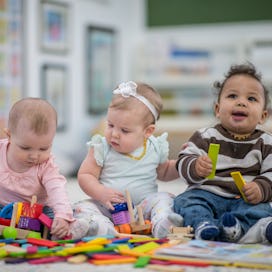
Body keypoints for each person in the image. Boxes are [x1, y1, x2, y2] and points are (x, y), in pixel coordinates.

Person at [174, 62, 272, 243]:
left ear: (263, 116)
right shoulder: (205, 136)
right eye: (232, 95)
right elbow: (182, 160)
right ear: (218, 109)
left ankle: (236, 229)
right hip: (207, 194)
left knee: (263, 209)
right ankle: (203, 225)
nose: (241, 102)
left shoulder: (266, 143)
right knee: (185, 202)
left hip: (244, 200)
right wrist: (195, 166)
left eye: (252, 99)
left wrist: (260, 188)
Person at [75, 81, 183, 238]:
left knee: (165, 198)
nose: (114, 134)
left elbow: (165, 172)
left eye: (124, 130)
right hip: (108, 207)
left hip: (143, 209)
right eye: (110, 125)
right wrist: (101, 193)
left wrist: (183, 164)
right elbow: (85, 175)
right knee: (82, 208)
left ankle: (162, 224)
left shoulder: (154, 146)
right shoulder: (102, 147)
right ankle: (100, 228)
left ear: (147, 132)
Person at [0, 97, 89, 240]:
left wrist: (62, 216)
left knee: (57, 217)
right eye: (25, 148)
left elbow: (57, 190)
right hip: (3, 207)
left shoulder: (46, 165)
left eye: (43, 148)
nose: (34, 156)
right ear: (9, 136)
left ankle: (68, 230)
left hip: (37, 210)